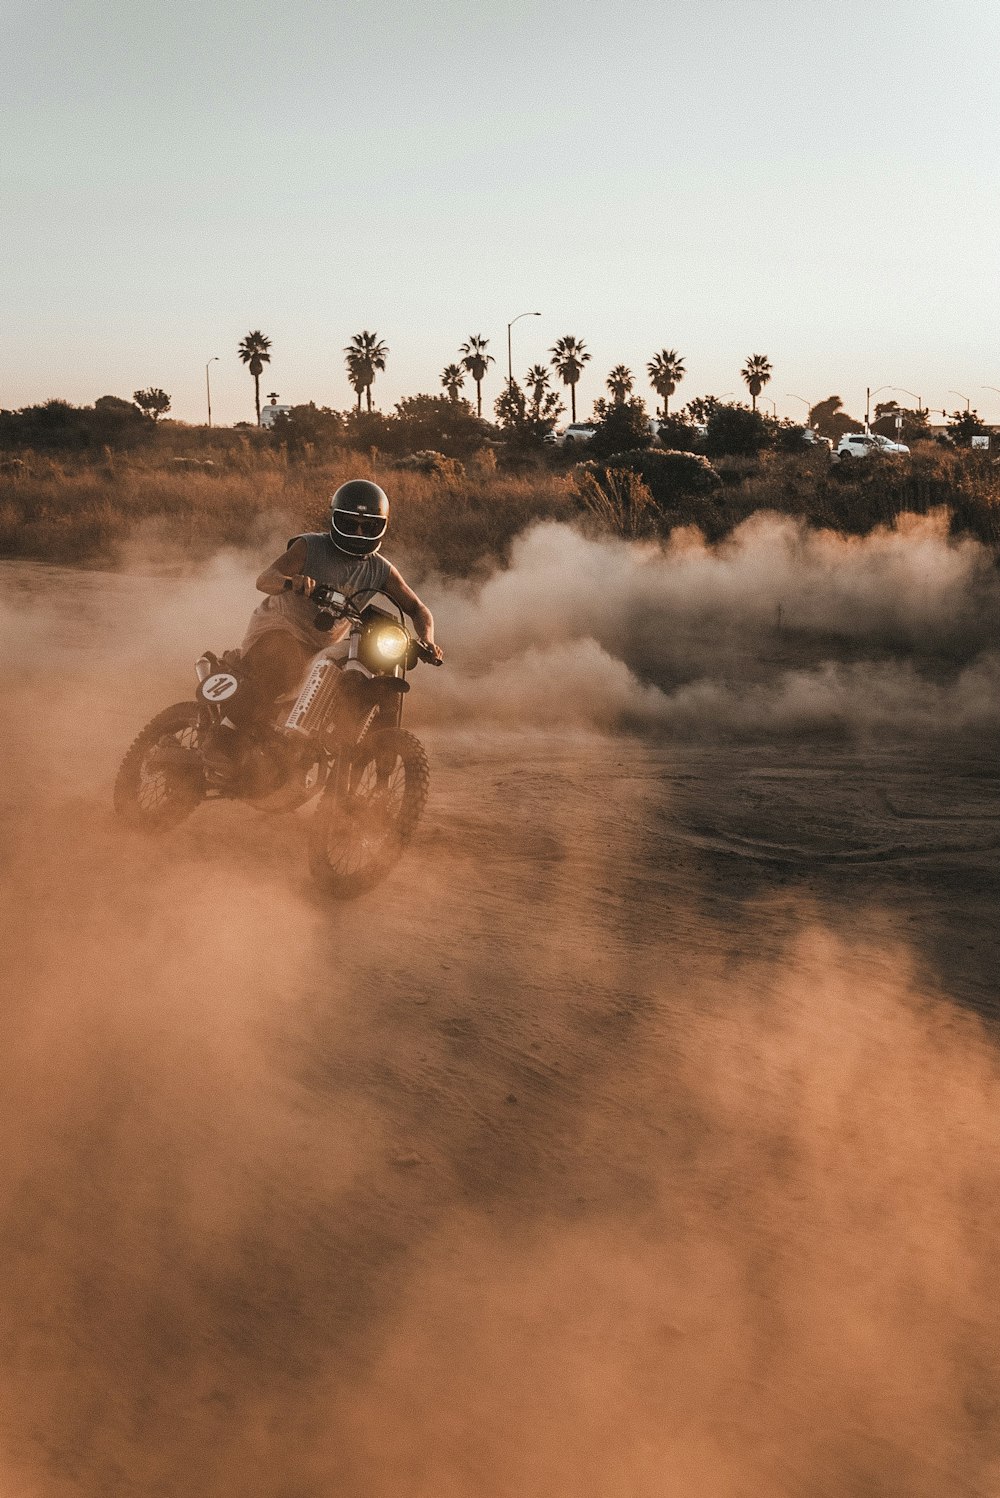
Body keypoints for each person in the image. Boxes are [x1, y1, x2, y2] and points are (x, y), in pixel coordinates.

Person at [209, 480, 442, 767]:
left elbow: (417, 608)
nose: (358, 532)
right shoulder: (310, 546)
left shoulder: (380, 568)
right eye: (349, 523)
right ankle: (223, 736)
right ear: (334, 519)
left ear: (380, 528)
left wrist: (427, 639)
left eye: (367, 527)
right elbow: (264, 579)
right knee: (283, 664)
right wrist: (291, 581)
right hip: (278, 629)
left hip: (324, 647)